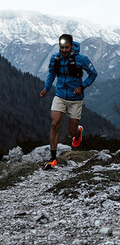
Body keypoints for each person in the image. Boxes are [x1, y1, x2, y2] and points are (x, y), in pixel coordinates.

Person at [40, 34, 97, 170]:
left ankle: (78, 132)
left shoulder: (82, 59)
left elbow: (93, 73)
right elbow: (51, 73)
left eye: (66, 47)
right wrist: (47, 88)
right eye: (61, 47)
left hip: (75, 100)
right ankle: (53, 159)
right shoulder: (55, 58)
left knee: (71, 132)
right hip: (59, 96)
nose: (64, 50)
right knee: (54, 124)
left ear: (71, 46)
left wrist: (82, 86)